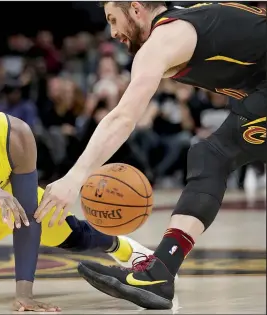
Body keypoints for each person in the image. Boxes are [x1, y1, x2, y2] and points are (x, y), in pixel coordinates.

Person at [34, 1, 266, 310]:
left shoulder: (164, 38)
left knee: (213, 155)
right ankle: (160, 270)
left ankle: (160, 271)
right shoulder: (184, 26)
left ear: (135, 9)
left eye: (113, 20)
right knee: (211, 156)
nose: (113, 32)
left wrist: (75, 177)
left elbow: (122, 118)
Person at [0, 71, 156, 312]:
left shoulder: (16, 135)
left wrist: (24, 294)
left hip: (4, 209)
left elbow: (27, 215)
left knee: (63, 225)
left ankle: (128, 250)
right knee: (7, 201)